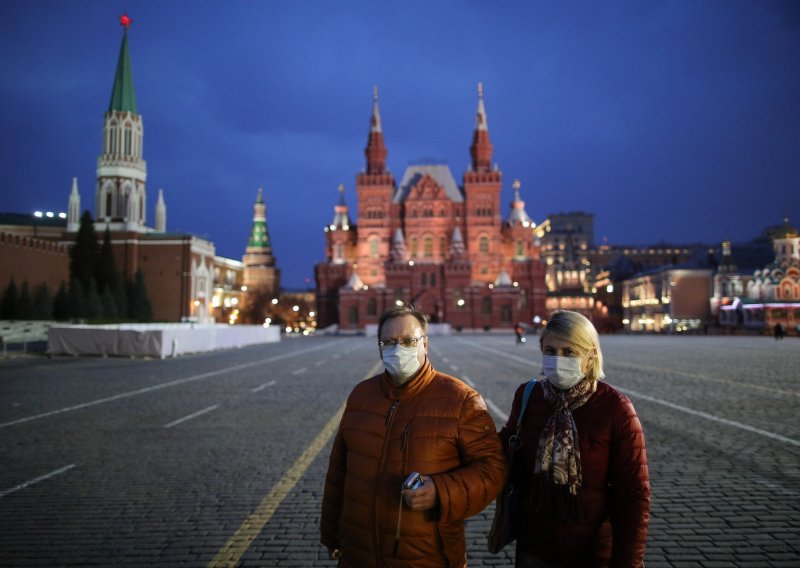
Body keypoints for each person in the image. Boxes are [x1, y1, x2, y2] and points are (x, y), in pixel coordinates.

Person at [321, 305, 506, 567]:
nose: (398, 349)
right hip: (359, 554)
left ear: (425, 344)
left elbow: (492, 470)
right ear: (379, 346)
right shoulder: (361, 396)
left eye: (409, 341)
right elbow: (339, 473)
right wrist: (331, 534)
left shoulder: (461, 400)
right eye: (389, 342)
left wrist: (441, 491)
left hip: (426, 557)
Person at [498, 310, 650, 567]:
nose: (557, 359)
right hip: (534, 547)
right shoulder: (528, 396)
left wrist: (628, 562)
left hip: (592, 552)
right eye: (550, 350)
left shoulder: (615, 409)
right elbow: (503, 447)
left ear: (590, 355)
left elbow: (633, 495)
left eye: (569, 352)